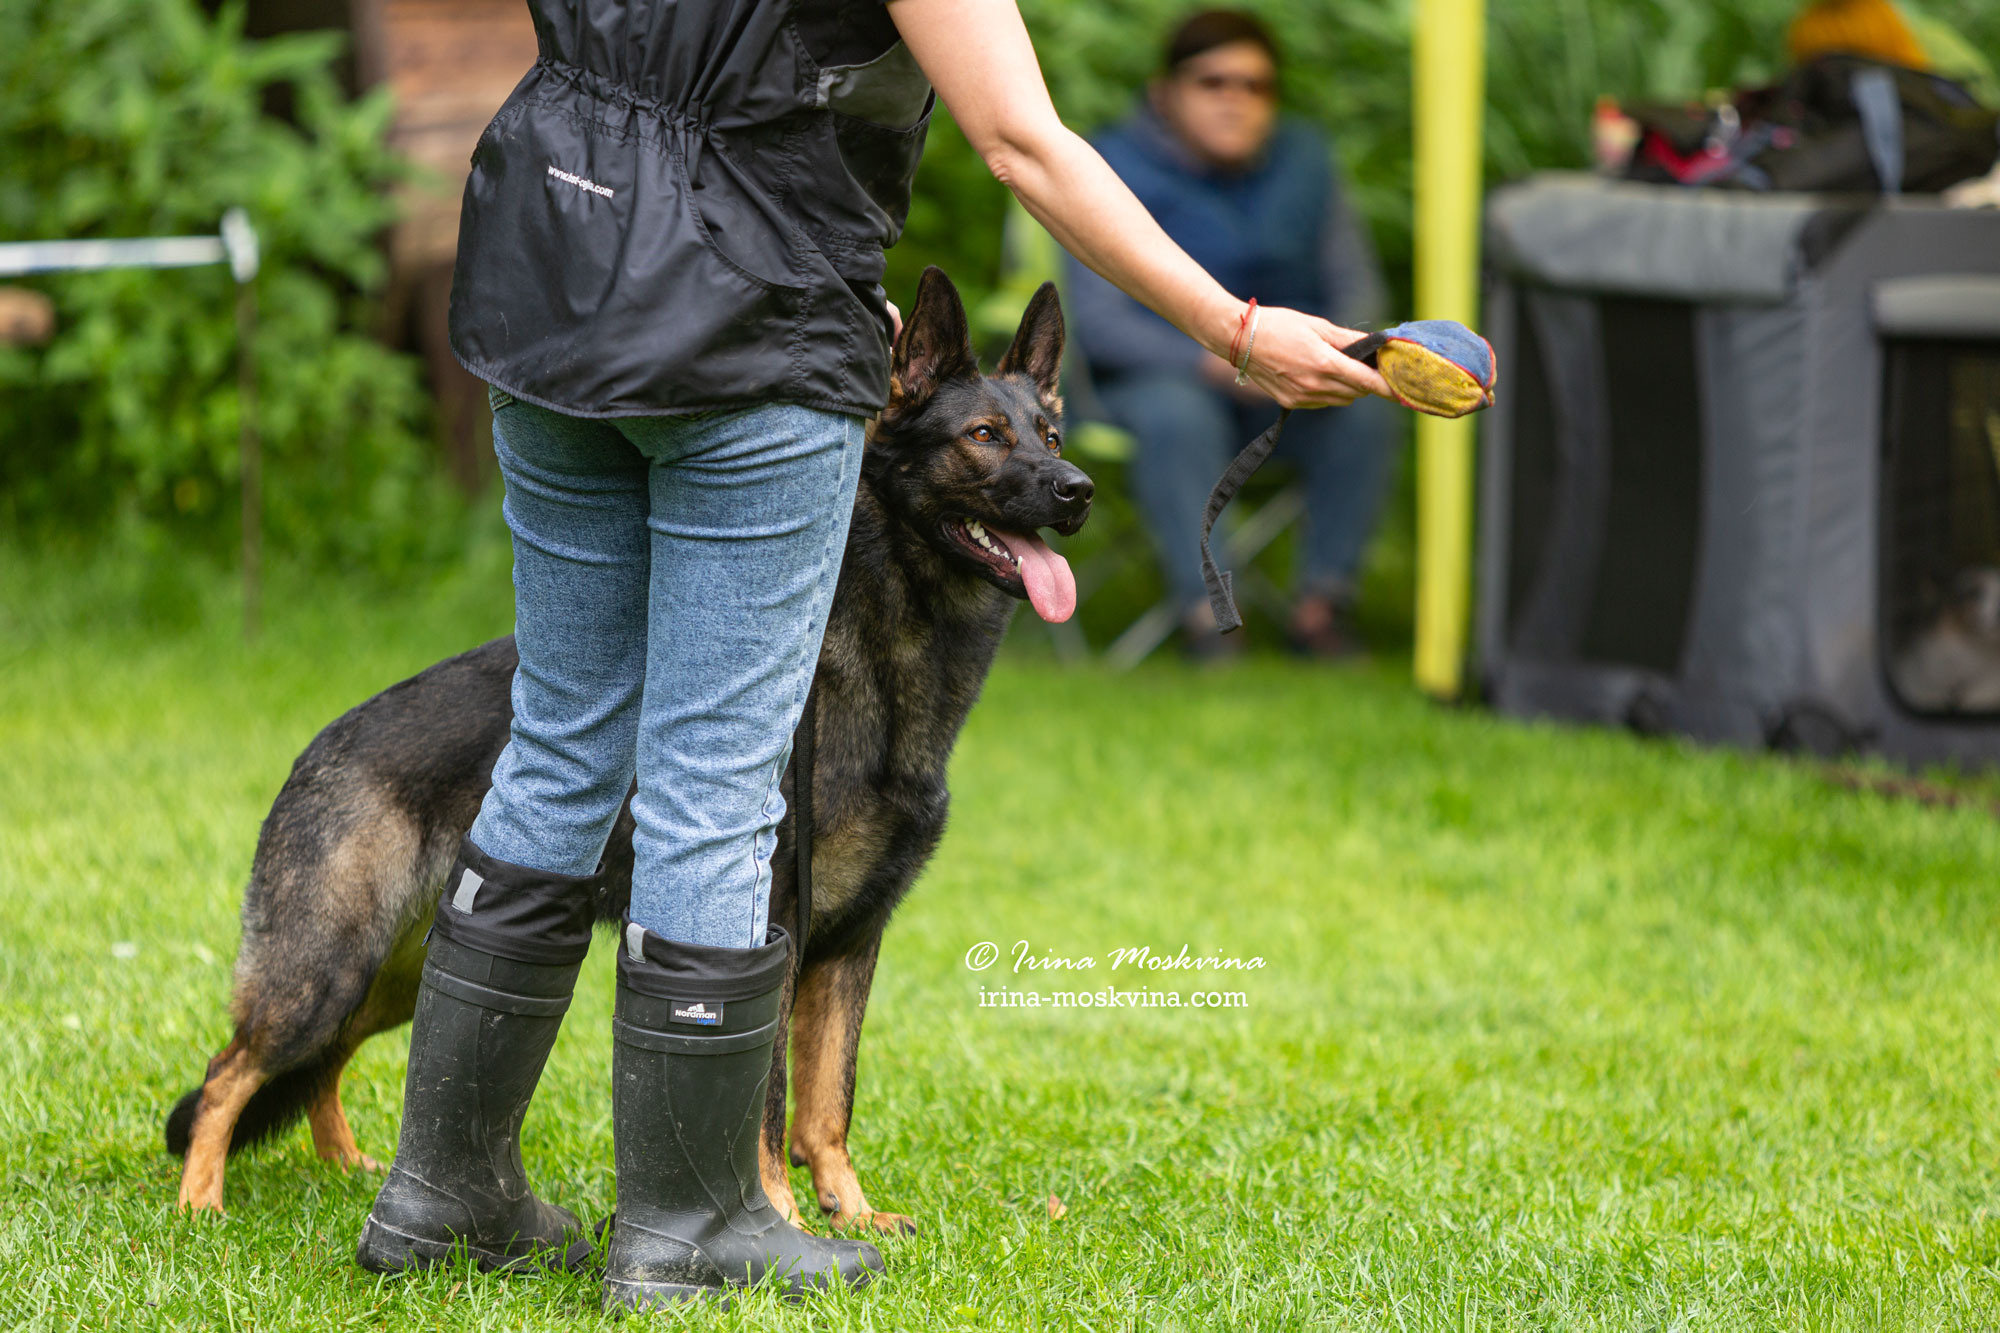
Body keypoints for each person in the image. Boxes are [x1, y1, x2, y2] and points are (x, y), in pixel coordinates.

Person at [353, 0, 1390, 1313]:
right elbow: (1019, 139)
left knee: (563, 736)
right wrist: (1232, 326)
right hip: (746, 323)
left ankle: (442, 1191)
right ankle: (688, 1223)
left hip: (551, 263)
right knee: (718, 775)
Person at [1065, 9, 1398, 660]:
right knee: (1178, 415)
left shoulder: (1307, 163)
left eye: (1256, 86)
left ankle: (1321, 608)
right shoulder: (1109, 167)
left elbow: (1358, 293)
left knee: (1365, 412)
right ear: (1165, 94)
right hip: (1160, 380)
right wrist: (1217, 358)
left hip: (1289, 380)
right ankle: (1210, 616)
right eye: (1213, 82)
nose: (1236, 101)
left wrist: (1339, 357)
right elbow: (1101, 325)